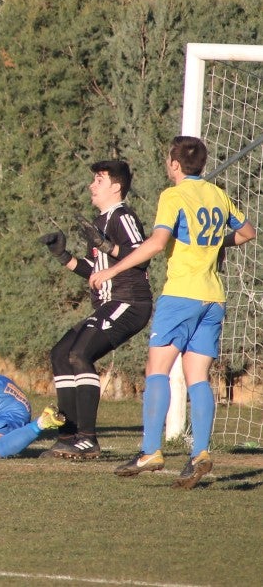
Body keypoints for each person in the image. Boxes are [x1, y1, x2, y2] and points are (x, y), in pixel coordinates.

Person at [90, 136, 255, 488]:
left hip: (181, 295)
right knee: (198, 377)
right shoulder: (218, 194)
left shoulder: (174, 195)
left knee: (157, 369)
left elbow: (157, 242)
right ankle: (201, 452)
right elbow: (247, 232)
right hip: (213, 298)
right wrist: (213, 242)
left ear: (175, 165)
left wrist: (112, 270)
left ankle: (150, 449)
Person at [37, 159, 153, 460]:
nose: (92, 185)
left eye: (99, 180)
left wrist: (107, 247)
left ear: (116, 186)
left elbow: (141, 256)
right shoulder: (101, 221)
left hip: (129, 302)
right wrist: (63, 256)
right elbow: (97, 269)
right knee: (61, 353)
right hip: (110, 303)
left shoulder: (121, 215)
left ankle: (87, 439)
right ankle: (68, 435)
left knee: (80, 354)